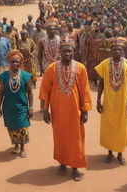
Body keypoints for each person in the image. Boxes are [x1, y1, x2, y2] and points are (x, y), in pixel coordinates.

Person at [39, 38, 92, 181]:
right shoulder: (51, 68)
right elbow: (45, 91)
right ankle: (62, 163)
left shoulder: (81, 68)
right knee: (60, 136)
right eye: (64, 51)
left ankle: (75, 167)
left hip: (75, 112)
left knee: (76, 138)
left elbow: (85, 91)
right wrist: (45, 110)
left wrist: (85, 110)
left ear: (73, 52)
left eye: (70, 51)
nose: (67, 53)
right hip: (58, 111)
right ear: (60, 52)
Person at [95, 38, 127, 164]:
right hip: (108, 102)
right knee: (108, 127)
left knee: (121, 127)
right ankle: (109, 153)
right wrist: (98, 100)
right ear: (110, 51)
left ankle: (120, 153)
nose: (116, 51)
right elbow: (100, 83)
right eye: (114, 49)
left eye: (119, 49)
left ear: (123, 50)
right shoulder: (105, 64)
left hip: (122, 102)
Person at [0, 50, 33, 158]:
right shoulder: (3, 76)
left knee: (22, 127)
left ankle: (22, 148)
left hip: (21, 106)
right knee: (12, 127)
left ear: (21, 62)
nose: (15, 64)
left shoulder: (25, 75)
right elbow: (1, 92)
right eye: (13, 62)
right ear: (9, 62)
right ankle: (16, 145)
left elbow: (30, 92)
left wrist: (30, 107)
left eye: (17, 62)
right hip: (8, 107)